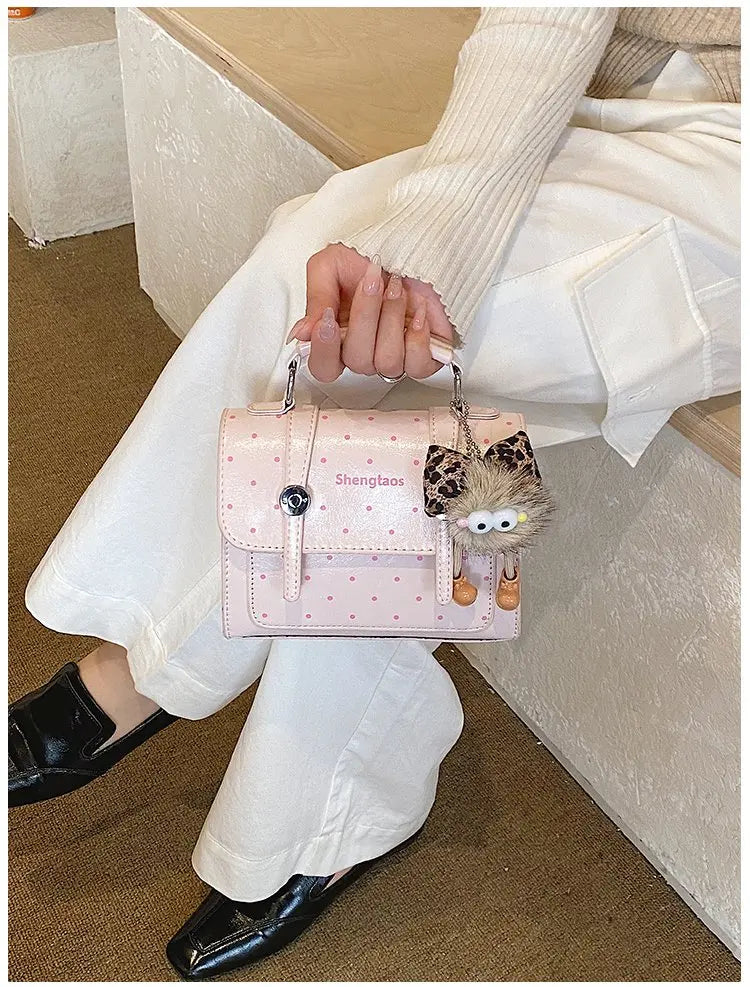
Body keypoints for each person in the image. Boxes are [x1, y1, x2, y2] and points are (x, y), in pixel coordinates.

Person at [9, 7, 739, 980]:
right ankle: (297, 774)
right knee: (303, 271)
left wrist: (427, 270)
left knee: (418, 353)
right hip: (621, 97)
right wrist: (432, 237)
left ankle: (163, 687)